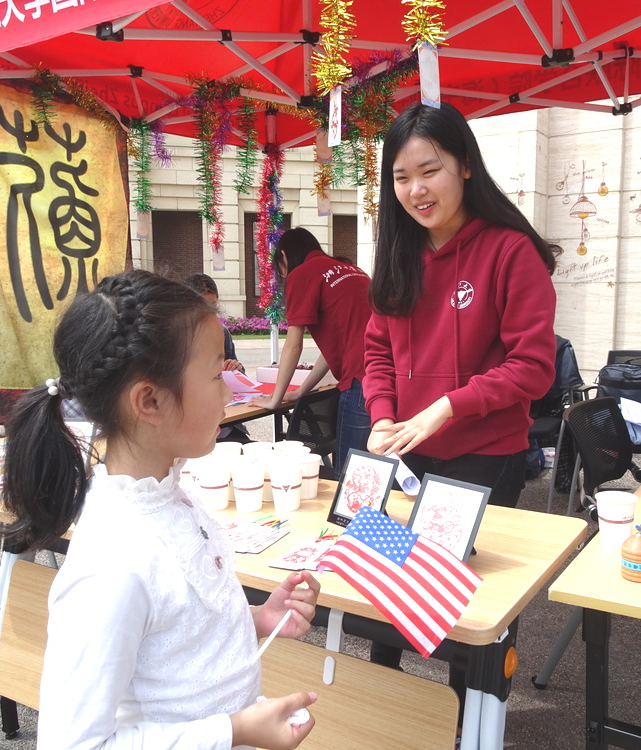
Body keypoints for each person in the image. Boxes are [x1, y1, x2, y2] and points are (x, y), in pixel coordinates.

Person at [1, 270, 320, 750]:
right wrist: (234, 730)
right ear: (149, 401)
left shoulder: (171, 494)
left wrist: (255, 620)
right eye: (216, 376)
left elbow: (174, 637)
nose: (230, 392)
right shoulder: (115, 563)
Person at [365, 101, 560, 507]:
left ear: (466, 166)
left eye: (430, 172)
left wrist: (447, 407)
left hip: (485, 455)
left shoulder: (511, 251)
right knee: (403, 565)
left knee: (470, 571)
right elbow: (379, 352)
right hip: (406, 448)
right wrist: (383, 417)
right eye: (401, 178)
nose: (416, 190)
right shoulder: (399, 255)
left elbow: (533, 367)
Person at [249, 228, 372, 473]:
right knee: (378, 472)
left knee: (349, 478)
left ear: (284, 255)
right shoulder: (351, 269)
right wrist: (300, 391)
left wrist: (275, 399)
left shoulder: (302, 274)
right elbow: (336, 347)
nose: (283, 275)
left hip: (361, 382)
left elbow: (294, 344)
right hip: (390, 378)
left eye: (279, 269)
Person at [184, 272, 250, 443]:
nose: (208, 314)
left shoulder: (222, 333)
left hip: (226, 427)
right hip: (193, 431)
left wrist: (236, 369)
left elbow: (240, 380)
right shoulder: (176, 338)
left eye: (212, 306)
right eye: (201, 307)